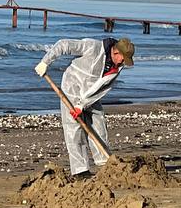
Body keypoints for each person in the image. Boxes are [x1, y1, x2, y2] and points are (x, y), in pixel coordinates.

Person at [34, 36, 134, 180]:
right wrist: (45, 62)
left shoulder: (117, 66)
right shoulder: (92, 47)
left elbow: (103, 89)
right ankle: (80, 170)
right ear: (116, 52)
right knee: (74, 131)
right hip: (72, 90)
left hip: (92, 97)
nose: (123, 63)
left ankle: (105, 164)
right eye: (123, 59)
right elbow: (64, 44)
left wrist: (82, 105)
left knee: (99, 125)